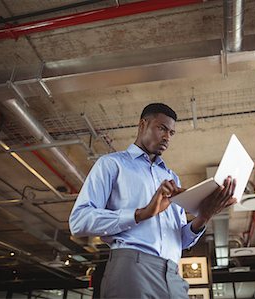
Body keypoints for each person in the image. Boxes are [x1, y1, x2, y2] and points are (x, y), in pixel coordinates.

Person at [69, 103, 237, 299]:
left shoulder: (171, 177)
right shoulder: (112, 164)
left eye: (171, 133)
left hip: (173, 274)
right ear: (143, 124)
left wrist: (205, 215)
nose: (167, 137)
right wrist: (142, 214)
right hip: (132, 268)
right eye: (162, 128)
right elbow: (78, 221)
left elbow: (180, 240)